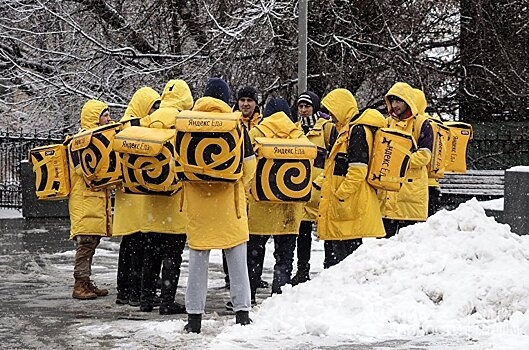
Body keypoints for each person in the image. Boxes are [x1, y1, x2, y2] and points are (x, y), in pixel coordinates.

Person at [183, 78, 256, 333]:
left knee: (197, 263)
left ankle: (194, 319)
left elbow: (175, 164)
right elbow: (249, 167)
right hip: (229, 206)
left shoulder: (188, 124)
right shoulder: (236, 126)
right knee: (237, 263)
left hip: (198, 207)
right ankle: (242, 315)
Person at [136, 80, 193, 315]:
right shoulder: (184, 122)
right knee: (172, 253)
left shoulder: (148, 121)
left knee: (151, 252)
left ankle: (146, 298)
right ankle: (168, 300)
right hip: (175, 199)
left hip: (151, 198)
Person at [245, 97, 306, 301]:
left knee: (253, 255)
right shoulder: (299, 136)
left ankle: (249, 294)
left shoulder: (255, 134)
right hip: (289, 208)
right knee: (284, 257)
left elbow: (247, 168)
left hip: (260, 204)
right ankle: (278, 296)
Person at [317, 89, 386, 268]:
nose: (330, 115)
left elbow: (357, 171)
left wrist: (340, 194)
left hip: (349, 203)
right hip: (349, 203)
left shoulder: (357, 132)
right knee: (344, 258)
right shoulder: (348, 131)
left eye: (332, 110)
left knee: (342, 261)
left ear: (341, 108)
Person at [113, 87, 160, 306]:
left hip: (127, 196)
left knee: (129, 243)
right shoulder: (140, 127)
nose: (154, 111)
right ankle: (135, 290)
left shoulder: (122, 127)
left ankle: (124, 290)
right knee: (139, 244)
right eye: (152, 106)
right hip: (139, 195)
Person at [222, 85, 268, 290]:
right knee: (231, 235)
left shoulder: (263, 126)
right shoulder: (229, 123)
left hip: (256, 190)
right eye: (242, 100)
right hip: (235, 188)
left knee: (256, 238)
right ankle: (230, 277)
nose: (246, 104)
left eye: (249, 100)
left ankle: (253, 277)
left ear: (256, 103)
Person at [68, 100, 112, 300]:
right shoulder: (80, 142)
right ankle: (80, 284)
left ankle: (86, 281)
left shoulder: (95, 140)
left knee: (91, 243)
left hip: (93, 201)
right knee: (85, 244)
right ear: (94, 118)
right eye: (105, 115)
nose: (108, 118)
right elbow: (84, 171)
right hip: (85, 201)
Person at [377, 82, 434, 237]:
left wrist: (398, 162)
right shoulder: (387, 123)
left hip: (411, 193)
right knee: (382, 246)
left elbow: (424, 156)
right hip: (388, 192)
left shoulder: (422, 124)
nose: (394, 105)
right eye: (392, 101)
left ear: (407, 101)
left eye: (398, 101)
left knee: (408, 246)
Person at [291, 91, 335, 285]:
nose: (303, 110)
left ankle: (329, 268)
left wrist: (323, 178)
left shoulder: (326, 128)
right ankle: (302, 270)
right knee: (303, 232)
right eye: (300, 106)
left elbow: (333, 157)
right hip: (301, 188)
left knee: (326, 230)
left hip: (322, 188)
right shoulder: (295, 129)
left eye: (307, 106)